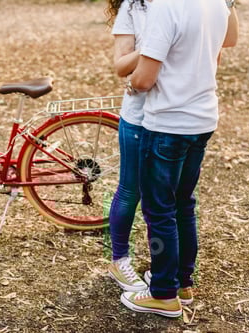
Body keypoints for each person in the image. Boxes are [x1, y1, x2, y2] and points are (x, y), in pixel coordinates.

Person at [120, 0, 239, 318]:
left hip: (167, 124)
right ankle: (182, 282)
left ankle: (162, 293)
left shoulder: (166, 6)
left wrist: (130, 86)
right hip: (202, 120)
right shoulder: (216, 4)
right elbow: (217, 56)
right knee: (183, 204)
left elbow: (144, 78)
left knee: (159, 210)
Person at [105, 0, 152, 292]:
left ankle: (162, 263)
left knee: (162, 196)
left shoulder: (185, 6)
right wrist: (154, 46)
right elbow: (121, 66)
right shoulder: (133, 9)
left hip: (173, 116)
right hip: (137, 116)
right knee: (130, 188)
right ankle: (119, 261)